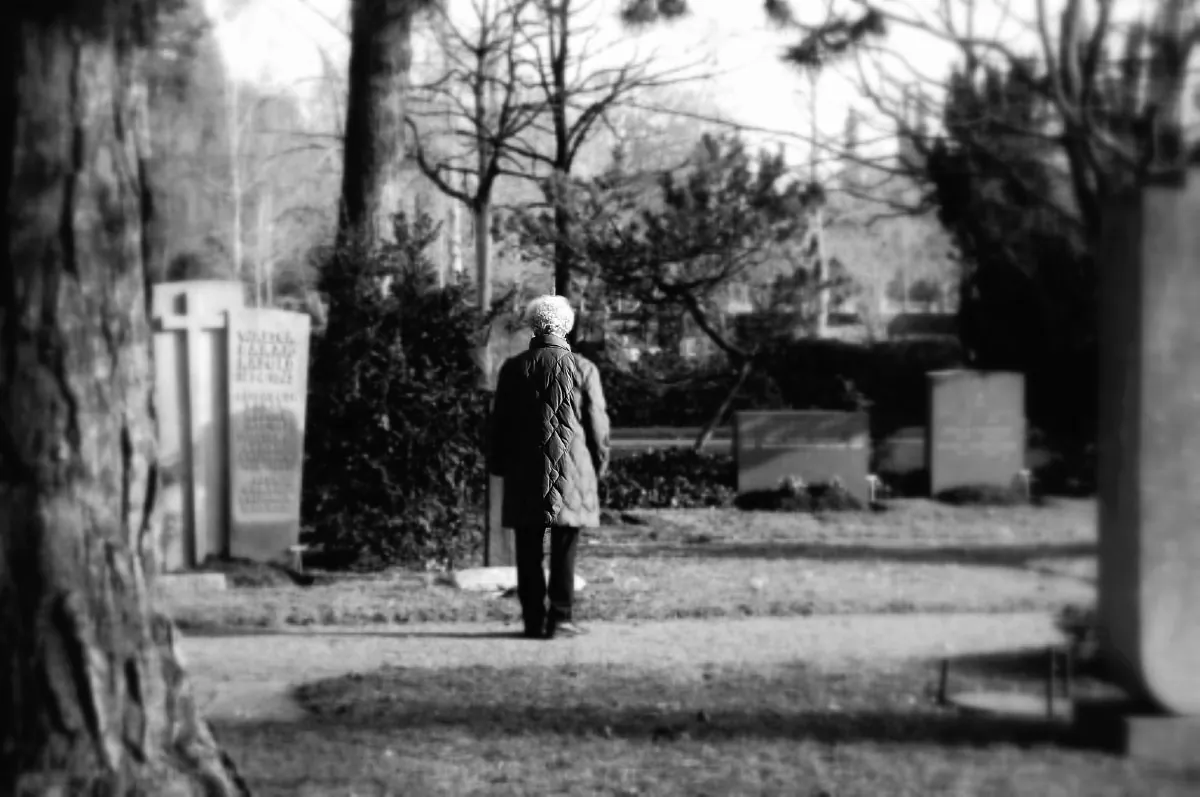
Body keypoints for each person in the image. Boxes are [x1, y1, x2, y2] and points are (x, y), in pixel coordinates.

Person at [488, 295, 611, 639]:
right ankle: (560, 618)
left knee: (527, 548)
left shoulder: (513, 369)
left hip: (525, 470)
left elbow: (500, 424)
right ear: (566, 326)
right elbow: (598, 425)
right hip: (573, 471)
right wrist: (599, 465)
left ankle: (533, 620)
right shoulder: (584, 369)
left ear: (533, 326)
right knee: (565, 546)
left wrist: (498, 464)